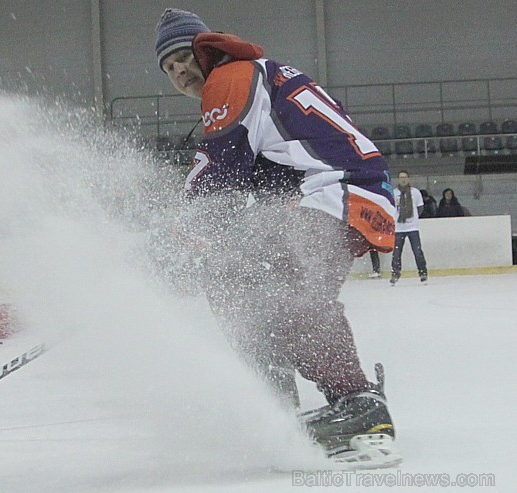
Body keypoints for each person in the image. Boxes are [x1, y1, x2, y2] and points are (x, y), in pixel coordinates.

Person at [154, 9, 399, 466]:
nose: (180, 71)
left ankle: (360, 409)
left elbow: (219, 176)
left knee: (289, 291)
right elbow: (249, 183)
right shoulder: (254, 78)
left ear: (207, 48)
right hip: (336, 193)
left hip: (339, 192)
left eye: (184, 57)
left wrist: (172, 240)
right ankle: (273, 404)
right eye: (169, 68)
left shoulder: (229, 78)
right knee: (230, 276)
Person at [390, 170, 428, 285]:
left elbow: (420, 208)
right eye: (401, 177)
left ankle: (423, 272)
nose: (403, 179)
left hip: (412, 227)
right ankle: (395, 273)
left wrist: (412, 218)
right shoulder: (393, 193)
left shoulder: (415, 192)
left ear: (408, 178)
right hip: (398, 228)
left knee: (417, 251)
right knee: (396, 252)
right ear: (398, 179)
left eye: (405, 177)